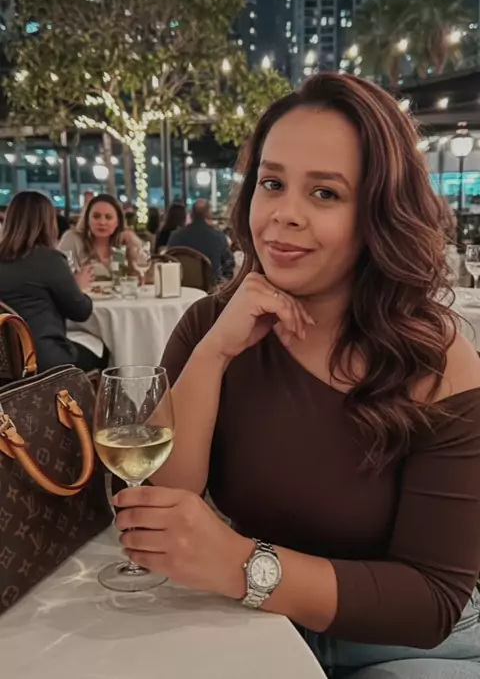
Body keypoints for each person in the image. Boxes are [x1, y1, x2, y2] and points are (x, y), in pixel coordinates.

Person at [114, 73, 480, 679]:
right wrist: (214, 353)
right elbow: (160, 500)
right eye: (272, 183)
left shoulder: (438, 363)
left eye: (325, 193)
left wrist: (241, 564)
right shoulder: (210, 323)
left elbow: (431, 601)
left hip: (403, 648)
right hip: (257, 626)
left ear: (378, 213)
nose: (284, 215)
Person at [0, 191, 106, 373]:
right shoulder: (49, 260)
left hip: (4, 363)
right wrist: (79, 286)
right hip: (42, 360)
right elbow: (81, 311)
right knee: (103, 351)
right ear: (48, 222)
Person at [59, 193, 141, 279]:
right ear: (87, 220)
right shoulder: (72, 238)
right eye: (96, 216)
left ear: (117, 222)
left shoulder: (125, 241)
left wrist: (132, 247)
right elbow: (58, 277)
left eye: (108, 217)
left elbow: (144, 273)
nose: (102, 222)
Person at [167, 199, 234, 282]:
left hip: (179, 284)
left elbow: (168, 261)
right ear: (209, 214)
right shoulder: (219, 237)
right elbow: (229, 265)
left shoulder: (175, 236)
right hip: (211, 286)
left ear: (191, 214)